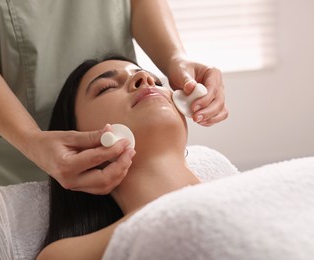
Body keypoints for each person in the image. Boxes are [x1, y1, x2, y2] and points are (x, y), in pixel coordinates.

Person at [0, 0, 227, 218]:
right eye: (106, 87)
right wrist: (30, 138)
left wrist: (176, 58)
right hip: (7, 153)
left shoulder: (243, 191)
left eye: (150, 77)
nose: (145, 77)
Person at [37, 56, 201, 259]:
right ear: (76, 149)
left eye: (157, 82)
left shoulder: (247, 189)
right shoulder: (61, 255)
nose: (145, 78)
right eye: (106, 87)